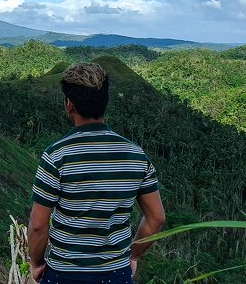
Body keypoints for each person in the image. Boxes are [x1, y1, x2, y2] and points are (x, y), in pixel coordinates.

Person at [28, 62, 166, 284]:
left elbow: (38, 225)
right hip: (116, 275)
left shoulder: (56, 156)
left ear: (69, 105)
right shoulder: (137, 156)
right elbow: (156, 218)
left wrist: (37, 263)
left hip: (64, 275)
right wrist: (133, 255)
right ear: (105, 102)